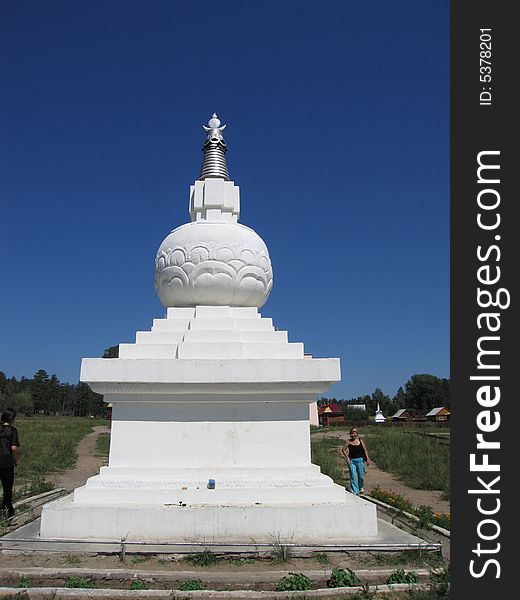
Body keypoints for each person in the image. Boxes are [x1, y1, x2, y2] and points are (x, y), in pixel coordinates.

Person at [0, 408, 20, 518]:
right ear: (11, 418)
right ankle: (7, 511)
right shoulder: (12, 430)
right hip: (7, 462)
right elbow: (13, 448)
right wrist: (16, 460)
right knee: (7, 488)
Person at [341, 427, 370, 495]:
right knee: (353, 476)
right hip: (352, 461)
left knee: (361, 476)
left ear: (357, 434)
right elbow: (343, 449)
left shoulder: (360, 441)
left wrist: (367, 459)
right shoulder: (348, 441)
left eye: (354, 433)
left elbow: (365, 450)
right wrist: (347, 458)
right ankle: (355, 491)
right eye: (351, 433)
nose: (352, 434)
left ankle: (361, 487)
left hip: (360, 460)